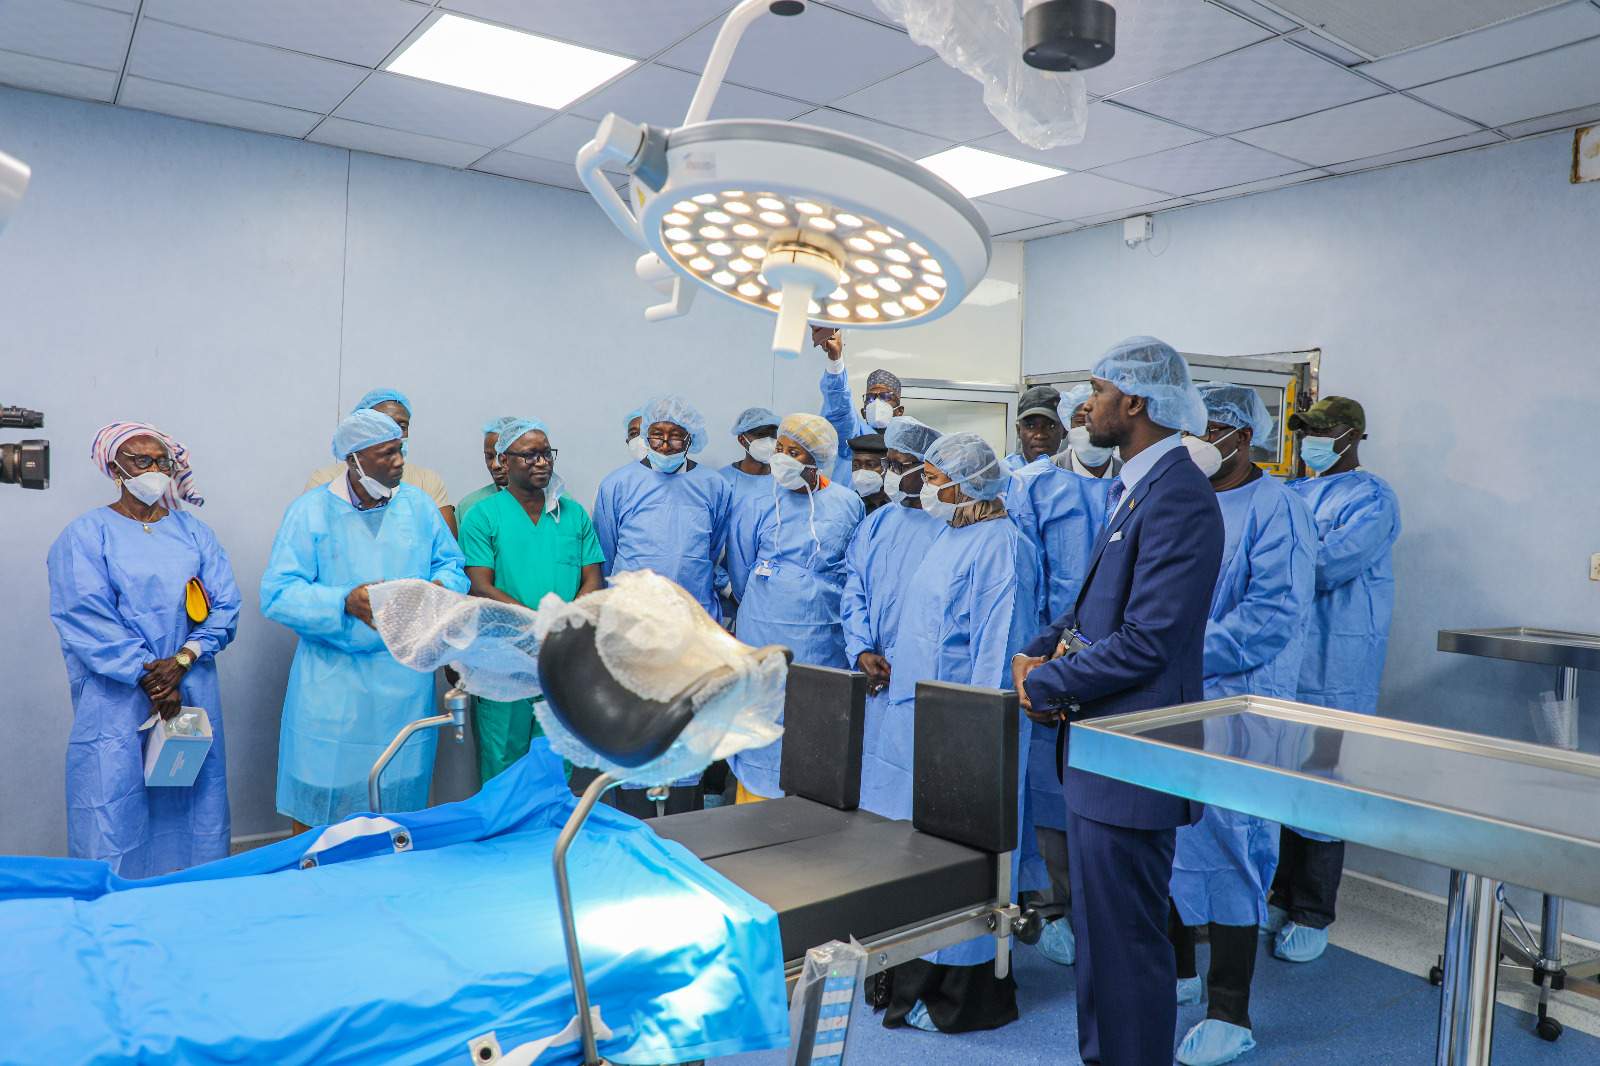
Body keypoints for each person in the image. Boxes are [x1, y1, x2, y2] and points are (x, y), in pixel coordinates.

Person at [1012, 337, 1223, 1066]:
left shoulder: (1180, 498)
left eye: (1097, 390)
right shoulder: (1136, 486)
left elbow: (1148, 642)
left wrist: (1044, 684)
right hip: (1100, 756)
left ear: (1135, 402)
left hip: (1132, 764)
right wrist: (1043, 646)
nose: (1083, 405)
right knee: (1101, 948)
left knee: (1128, 951)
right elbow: (1094, 611)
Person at [872, 431, 1045, 1034]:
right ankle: (913, 972)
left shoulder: (1002, 547)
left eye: (934, 477)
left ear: (968, 484)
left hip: (969, 727)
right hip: (921, 718)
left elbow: (999, 652)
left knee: (965, 857)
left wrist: (972, 736)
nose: (925, 486)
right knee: (920, 853)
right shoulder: (951, 535)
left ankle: (960, 992)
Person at [1167, 383, 1318, 1066]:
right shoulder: (1184, 498)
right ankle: (1178, 971)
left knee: (1234, 846)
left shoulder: (1277, 507)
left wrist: (1178, 648)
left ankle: (1231, 1009)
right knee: (1168, 835)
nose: (1206, 437)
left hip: (1241, 703)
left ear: (1250, 436)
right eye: (1202, 425)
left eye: (1221, 426)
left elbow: (1272, 616)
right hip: (1174, 697)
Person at [46, 423, 241, 877]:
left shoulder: (193, 531)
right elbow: (85, 615)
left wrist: (183, 660)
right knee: (114, 802)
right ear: (115, 468)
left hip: (190, 687)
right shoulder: (86, 535)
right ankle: (113, 915)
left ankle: (194, 907)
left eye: (162, 461)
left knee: (194, 800)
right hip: (118, 698)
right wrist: (148, 676)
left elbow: (226, 605)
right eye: (141, 460)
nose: (154, 469)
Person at [263, 410, 468, 832]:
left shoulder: (417, 506)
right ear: (354, 459)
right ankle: (316, 885)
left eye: (400, 451)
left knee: (398, 795)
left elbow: (452, 565)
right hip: (333, 684)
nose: (398, 462)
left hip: (402, 682)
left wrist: (435, 589)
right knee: (321, 800)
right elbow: (278, 593)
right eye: (386, 454)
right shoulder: (311, 512)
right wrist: (344, 600)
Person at [1267, 396, 1401, 963]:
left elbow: (1323, 564)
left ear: (1354, 436)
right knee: (1277, 779)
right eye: (1304, 433)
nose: (1310, 443)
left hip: (1339, 663)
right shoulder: (1292, 492)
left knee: (1323, 783)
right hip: (1288, 659)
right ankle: (1278, 893)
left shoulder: (1373, 498)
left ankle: (1313, 910)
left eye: (1323, 433)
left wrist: (1277, 559)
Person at [1003, 408, 1116, 967]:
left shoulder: (1135, 483)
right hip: (1050, 658)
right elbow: (1027, 580)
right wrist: (1038, 661)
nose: (1085, 423)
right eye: (1079, 413)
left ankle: (1104, 911)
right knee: (1047, 789)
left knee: (1110, 789)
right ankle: (1050, 908)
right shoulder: (1032, 486)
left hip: (1118, 663)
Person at [726, 413, 865, 800]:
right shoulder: (756, 501)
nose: (781, 458)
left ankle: (811, 810)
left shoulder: (846, 503)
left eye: (794, 452)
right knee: (762, 715)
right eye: (780, 449)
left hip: (822, 633)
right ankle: (754, 801)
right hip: (762, 628)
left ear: (817, 460)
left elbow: (853, 568)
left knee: (814, 714)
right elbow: (740, 569)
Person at [460, 418, 605, 781]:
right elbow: (480, 585)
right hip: (504, 654)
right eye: (530, 455)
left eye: (546, 454)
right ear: (504, 462)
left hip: (560, 655)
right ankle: (504, 839)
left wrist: (563, 624)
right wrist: (537, 623)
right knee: (503, 759)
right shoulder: (482, 516)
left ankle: (549, 837)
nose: (542, 462)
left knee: (556, 759)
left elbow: (593, 579)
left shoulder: (573, 514)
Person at [842, 416, 944, 817]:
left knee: (917, 790)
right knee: (872, 785)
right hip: (875, 680)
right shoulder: (878, 522)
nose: (889, 474)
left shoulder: (949, 528)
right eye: (890, 464)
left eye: (900, 467)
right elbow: (855, 589)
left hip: (919, 679)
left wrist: (904, 662)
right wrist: (862, 649)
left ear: (928, 470)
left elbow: (936, 613)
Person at [593, 395, 731, 621]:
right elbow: (606, 550)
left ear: (690, 438)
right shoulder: (617, 484)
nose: (665, 445)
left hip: (692, 606)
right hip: (632, 610)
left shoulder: (714, 486)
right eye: (657, 435)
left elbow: (713, 549)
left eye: (676, 436)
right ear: (646, 435)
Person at [304, 388, 456, 534]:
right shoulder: (325, 481)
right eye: (383, 424)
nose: (394, 432)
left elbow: (444, 550)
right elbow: (307, 547)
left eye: (402, 426)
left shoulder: (426, 482)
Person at [815, 325, 906, 482]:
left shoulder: (907, 447)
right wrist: (835, 358)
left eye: (885, 397)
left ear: (899, 411)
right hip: (849, 506)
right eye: (871, 398)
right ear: (864, 411)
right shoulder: (853, 437)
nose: (877, 402)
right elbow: (839, 409)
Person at [456, 416, 514, 524]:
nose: (495, 465)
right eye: (489, 456)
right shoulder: (468, 506)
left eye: (503, 457)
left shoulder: (547, 503)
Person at [721, 406, 779, 505]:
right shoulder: (723, 481)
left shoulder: (783, 479)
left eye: (772, 433)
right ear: (742, 440)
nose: (768, 440)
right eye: (760, 434)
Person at [1059, 382, 1119, 478]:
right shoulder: (1041, 476)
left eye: (1098, 420)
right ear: (1069, 425)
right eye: (1080, 421)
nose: (1087, 427)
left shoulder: (1131, 476)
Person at [1002, 385, 1066, 473]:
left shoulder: (1072, 473)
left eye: (1050, 426)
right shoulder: (1005, 475)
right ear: (1019, 430)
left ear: (1064, 431)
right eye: (1030, 426)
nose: (1040, 435)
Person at [846, 431, 892, 514]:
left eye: (871, 465)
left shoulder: (901, 503)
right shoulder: (850, 504)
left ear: (888, 466)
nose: (862, 470)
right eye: (856, 465)